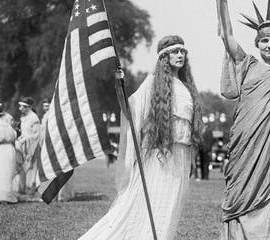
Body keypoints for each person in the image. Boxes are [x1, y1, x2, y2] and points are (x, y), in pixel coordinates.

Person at [78, 35, 202, 240]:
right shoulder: (152, 82)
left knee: (170, 205)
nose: (180, 55)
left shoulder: (186, 86)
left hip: (182, 152)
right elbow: (132, 110)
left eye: (182, 52)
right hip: (161, 153)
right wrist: (119, 86)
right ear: (164, 57)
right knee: (153, 203)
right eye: (174, 52)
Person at [212, 0, 270, 240]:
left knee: (268, 191)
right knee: (237, 192)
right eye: (264, 40)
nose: (269, 45)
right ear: (257, 42)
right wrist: (223, 3)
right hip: (242, 144)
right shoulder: (247, 64)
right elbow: (227, 36)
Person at [16, 96, 41, 195]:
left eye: (22, 107)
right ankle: (23, 188)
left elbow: (36, 135)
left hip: (32, 146)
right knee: (23, 167)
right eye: (20, 106)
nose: (20, 109)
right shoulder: (24, 118)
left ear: (29, 107)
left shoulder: (34, 118)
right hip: (23, 145)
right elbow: (24, 132)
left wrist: (26, 139)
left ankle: (31, 188)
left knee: (32, 167)